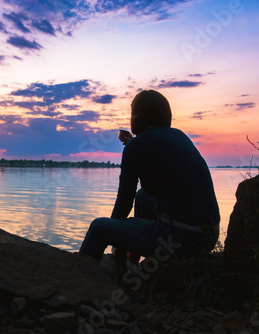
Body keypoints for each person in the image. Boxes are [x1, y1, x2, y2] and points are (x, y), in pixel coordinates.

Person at [79, 90, 220, 269]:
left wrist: (114, 233)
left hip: (180, 238)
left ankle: (79, 279)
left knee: (98, 227)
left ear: (136, 117)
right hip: (208, 235)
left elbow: (123, 203)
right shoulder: (179, 135)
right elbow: (153, 188)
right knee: (143, 197)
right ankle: (132, 259)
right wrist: (135, 146)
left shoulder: (137, 146)